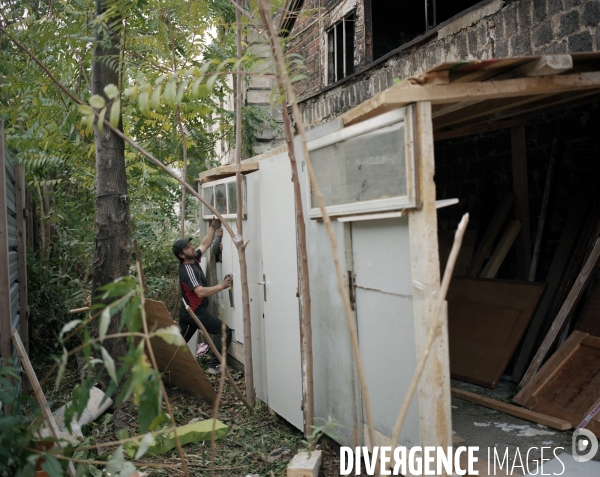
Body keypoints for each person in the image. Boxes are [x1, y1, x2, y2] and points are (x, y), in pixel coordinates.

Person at [173, 219, 233, 375]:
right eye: (187, 248)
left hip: (188, 313)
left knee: (179, 344)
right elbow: (199, 292)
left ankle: (166, 365)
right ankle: (214, 366)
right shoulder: (188, 270)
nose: (192, 247)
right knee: (224, 331)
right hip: (195, 313)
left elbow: (204, 244)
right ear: (181, 255)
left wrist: (213, 228)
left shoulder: (192, 260)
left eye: (190, 245)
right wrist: (222, 286)